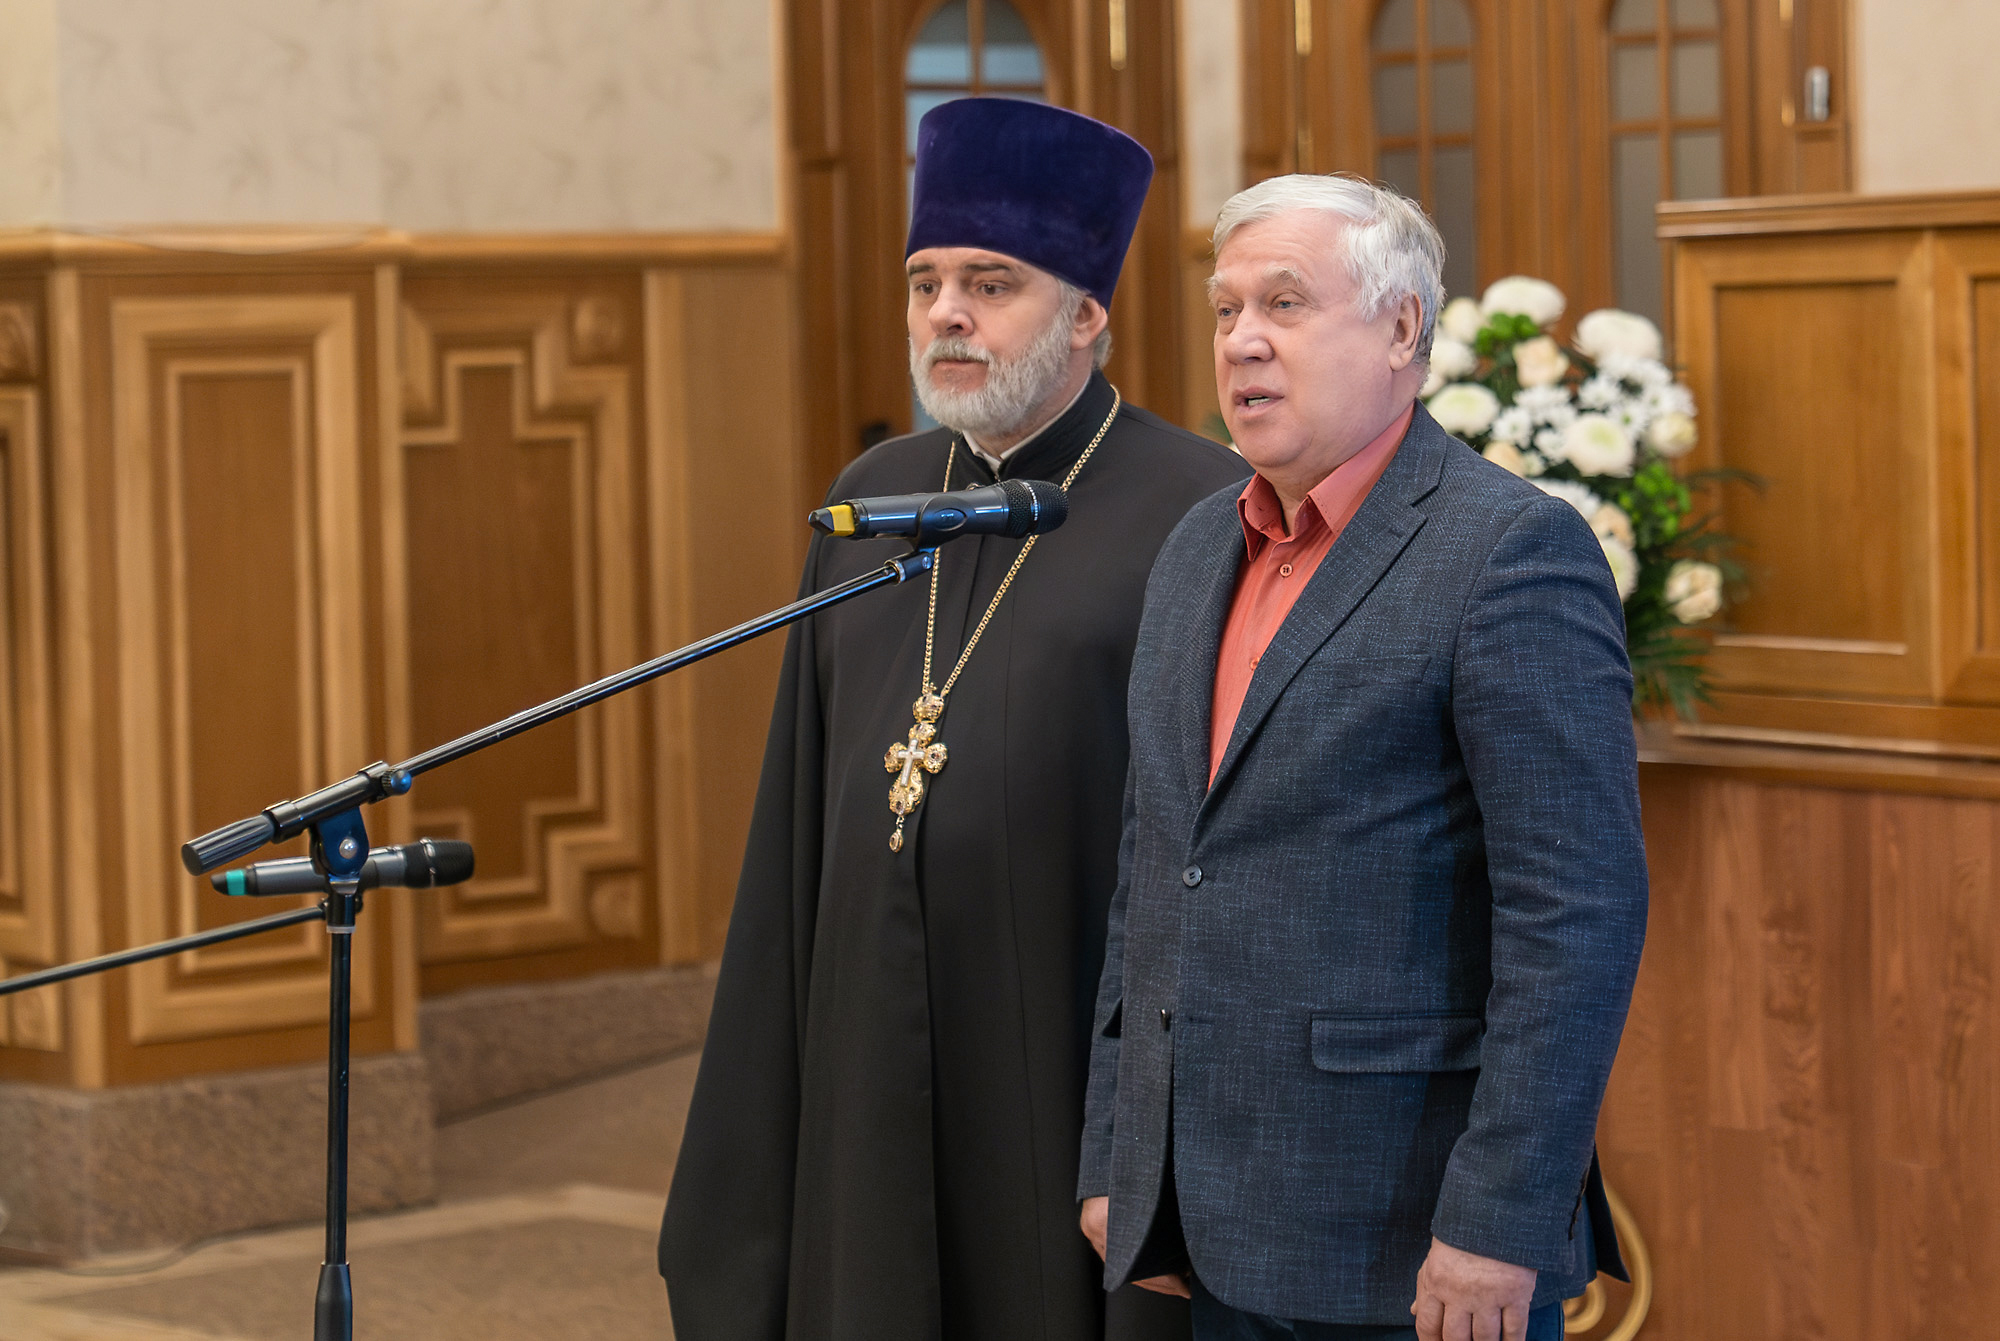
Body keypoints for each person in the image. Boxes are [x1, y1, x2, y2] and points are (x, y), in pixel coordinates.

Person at [660, 98, 1249, 1341]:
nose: (945, 314)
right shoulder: (871, 499)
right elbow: (794, 825)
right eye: (924, 283)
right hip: (866, 1038)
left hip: (1060, 1049)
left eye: (990, 284)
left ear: (1084, 314)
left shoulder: (1199, 511)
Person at [1077, 173, 1647, 1341]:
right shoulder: (1195, 547)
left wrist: (1499, 1222)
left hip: (1412, 1237)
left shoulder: (1508, 552)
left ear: (1400, 328)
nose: (1241, 341)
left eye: (1284, 304)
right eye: (1225, 309)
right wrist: (1118, 1153)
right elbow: (1155, 869)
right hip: (1205, 1217)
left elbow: (1574, 918)